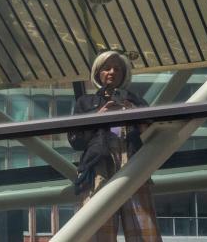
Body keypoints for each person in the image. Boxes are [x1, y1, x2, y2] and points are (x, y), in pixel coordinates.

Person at [68, 50, 162, 242]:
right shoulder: (85, 102)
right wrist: (98, 116)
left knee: (144, 232)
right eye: (106, 68)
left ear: (124, 74)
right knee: (98, 232)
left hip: (133, 166)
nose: (112, 72)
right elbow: (76, 140)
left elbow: (154, 132)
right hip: (99, 168)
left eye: (117, 69)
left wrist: (133, 112)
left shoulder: (135, 101)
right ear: (97, 73)